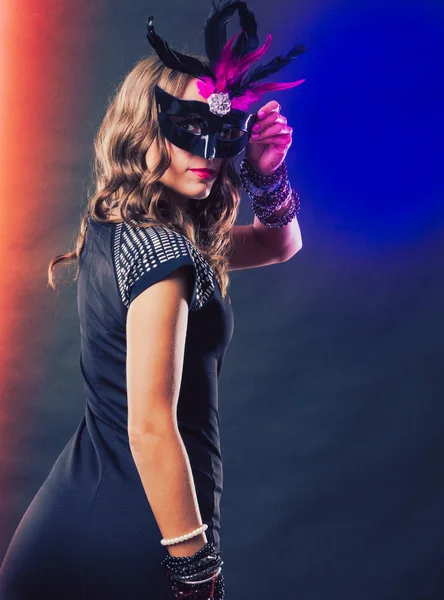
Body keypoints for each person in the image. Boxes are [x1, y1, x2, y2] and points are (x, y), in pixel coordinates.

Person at [0, 1, 305, 598]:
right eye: (186, 131)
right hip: (140, 527)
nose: (207, 154)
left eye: (220, 135)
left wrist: (269, 174)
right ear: (146, 129)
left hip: (79, 509)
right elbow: (150, 427)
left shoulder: (123, 225)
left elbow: (278, 244)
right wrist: (195, 570)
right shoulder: (164, 258)